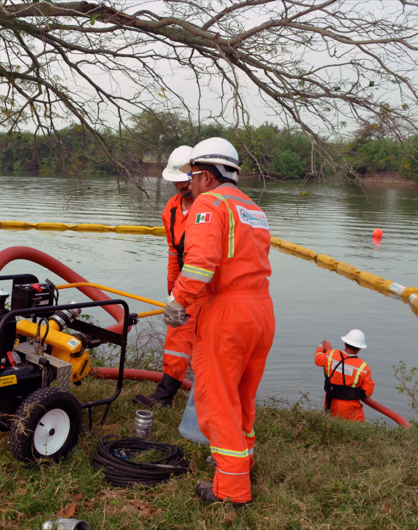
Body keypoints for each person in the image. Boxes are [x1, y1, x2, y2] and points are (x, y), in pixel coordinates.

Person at [164, 137, 275, 507]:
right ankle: (241, 458)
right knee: (242, 395)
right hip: (261, 310)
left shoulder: (209, 203)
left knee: (217, 400)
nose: (190, 185)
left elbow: (200, 264)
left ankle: (231, 488)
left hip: (226, 313)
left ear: (208, 176)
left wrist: (176, 301)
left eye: (193, 176)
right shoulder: (252, 208)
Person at [134, 145, 195, 408]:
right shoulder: (170, 210)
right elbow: (174, 251)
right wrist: (172, 290)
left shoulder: (212, 207)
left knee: (212, 344)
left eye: (187, 179)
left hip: (212, 288)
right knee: (176, 338)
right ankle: (164, 396)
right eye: (178, 181)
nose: (182, 185)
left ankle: (211, 399)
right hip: (185, 284)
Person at [313, 330, 374, 422]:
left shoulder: (330, 355)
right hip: (351, 410)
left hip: (331, 404)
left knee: (331, 429)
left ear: (345, 343)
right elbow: (368, 392)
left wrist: (320, 347)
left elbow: (318, 359)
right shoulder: (363, 367)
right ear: (359, 349)